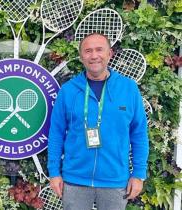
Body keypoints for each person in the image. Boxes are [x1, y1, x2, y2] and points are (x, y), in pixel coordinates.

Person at [47, 33, 149, 210]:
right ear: (81, 57)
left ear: (110, 54)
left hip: (115, 180)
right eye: (88, 51)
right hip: (75, 180)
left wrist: (139, 174)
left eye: (99, 50)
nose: (94, 56)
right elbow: (56, 134)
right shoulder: (68, 91)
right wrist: (54, 172)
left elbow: (139, 134)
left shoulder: (128, 88)